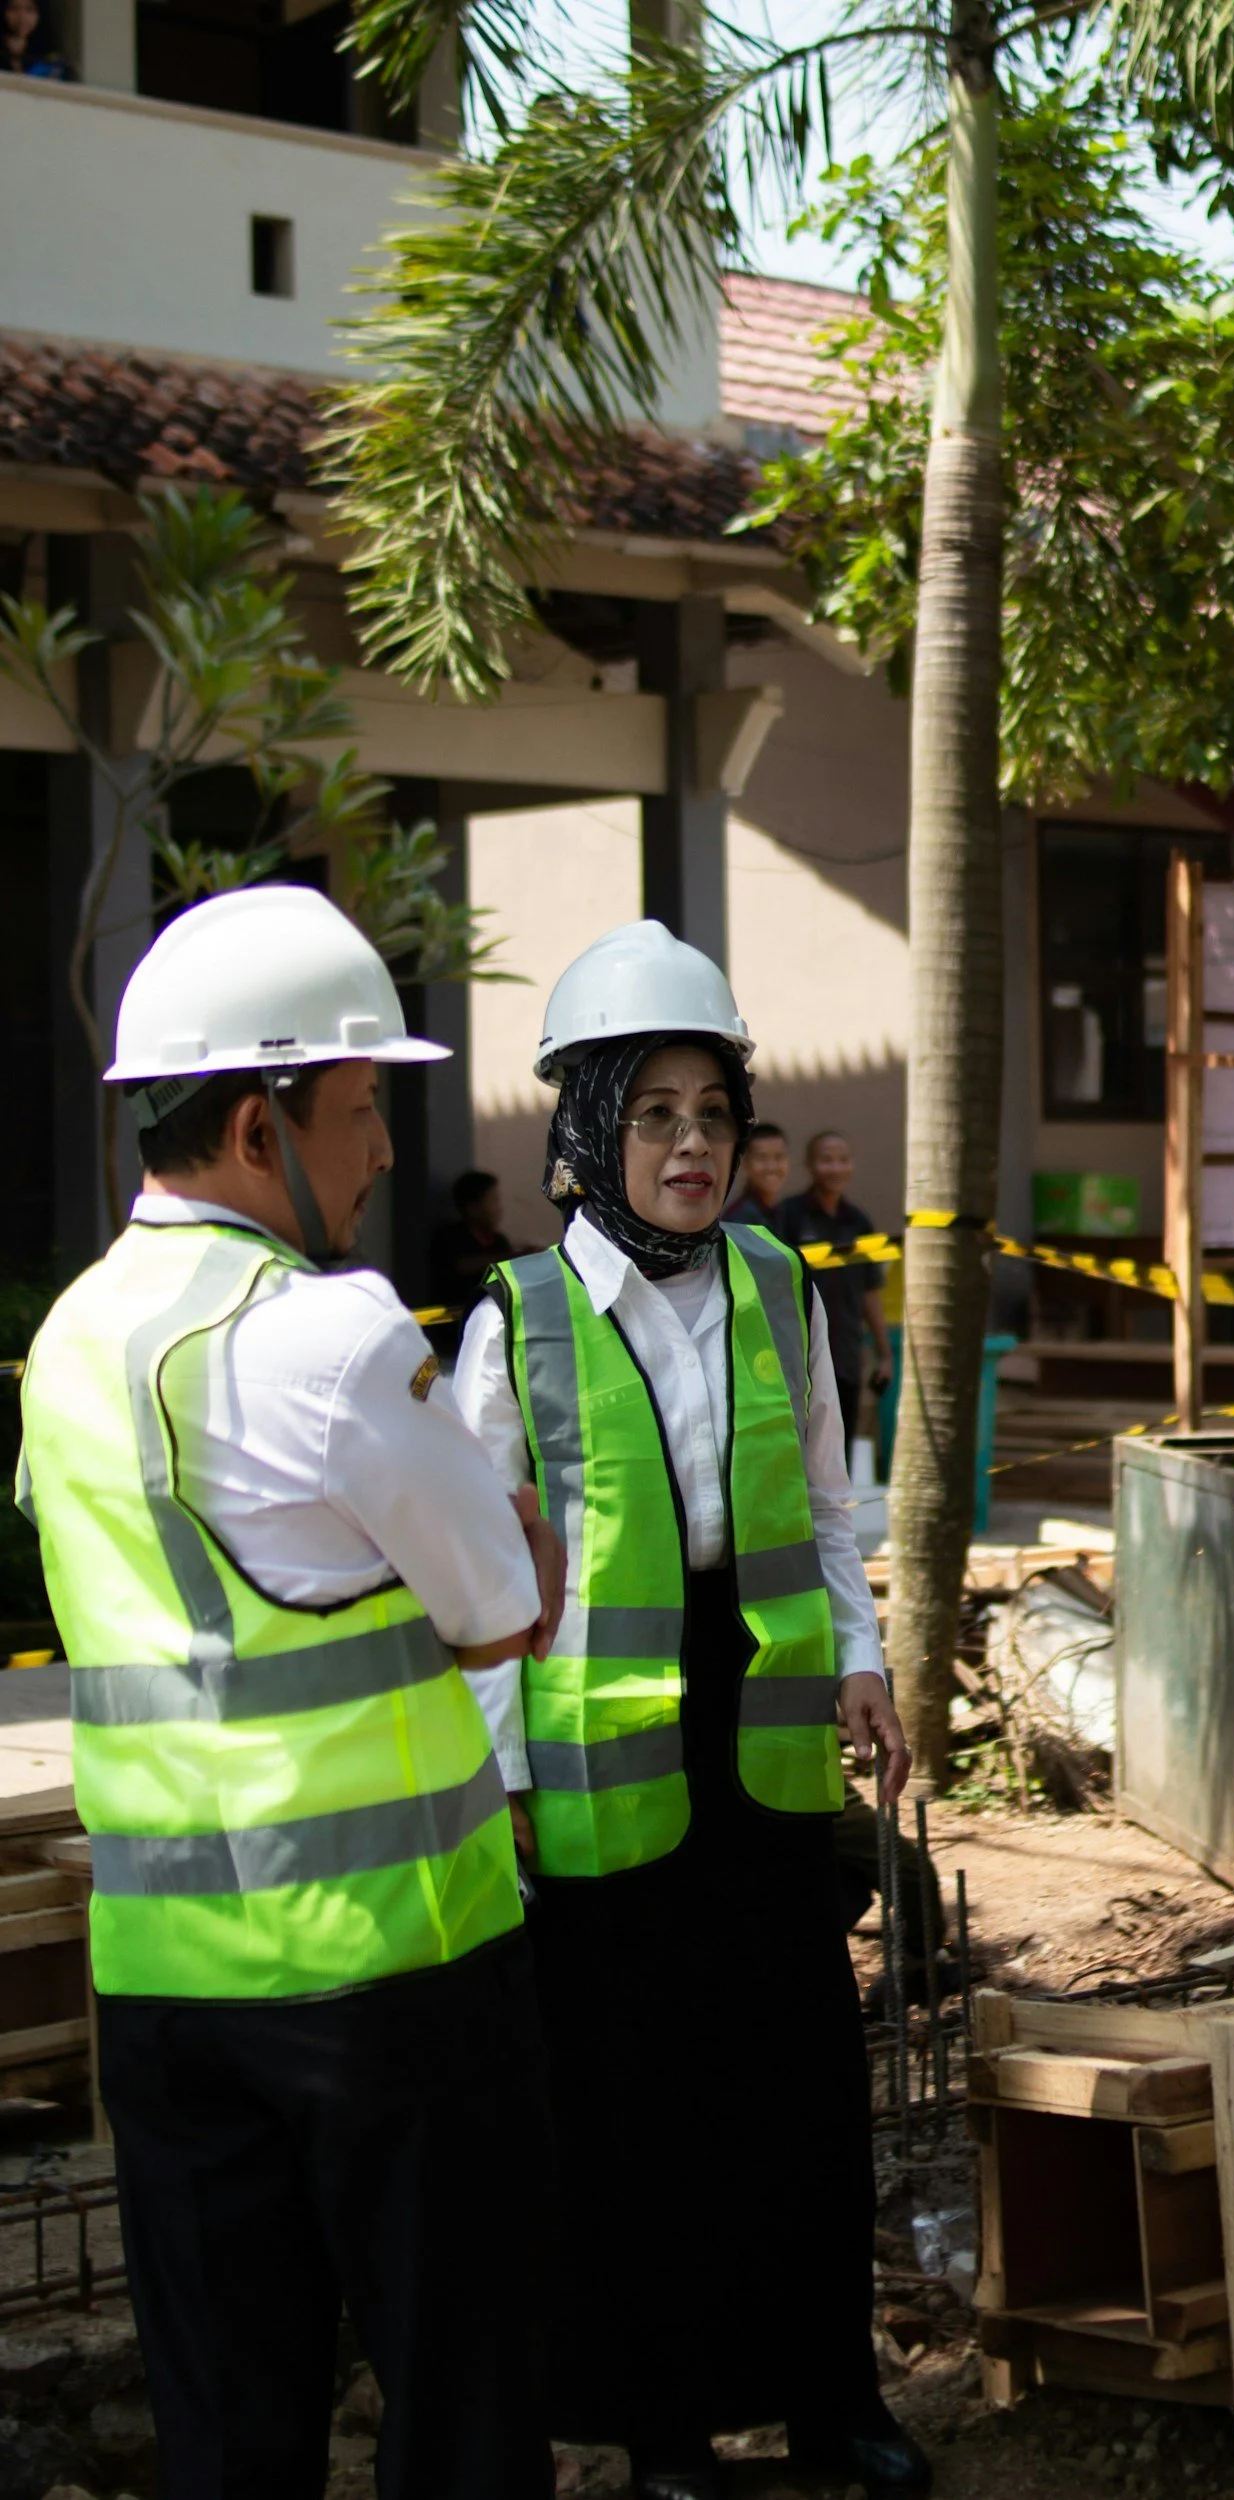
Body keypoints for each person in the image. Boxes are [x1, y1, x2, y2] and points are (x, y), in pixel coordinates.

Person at [14, 887, 566, 2500]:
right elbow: (509, 1601)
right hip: (396, 1987)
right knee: (461, 2421)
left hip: (166, 1995)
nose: (386, 1147)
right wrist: (477, 1569)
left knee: (230, 2440)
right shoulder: (327, 1341)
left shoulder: (64, 1343)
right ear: (261, 1128)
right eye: (360, 1108)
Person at [453, 917, 929, 2500]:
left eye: (712, 1115)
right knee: (632, 2113)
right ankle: (662, 2429)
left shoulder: (778, 1283)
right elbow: (477, 1579)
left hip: (772, 1750)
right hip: (599, 1778)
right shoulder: (513, 1320)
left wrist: (861, 1658)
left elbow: (826, 1504)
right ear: (584, 1132)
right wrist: (506, 1778)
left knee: (800, 2095)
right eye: (651, 1115)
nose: (689, 1147)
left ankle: (829, 2399)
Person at [777, 1131, 893, 1464]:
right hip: (800, 1359)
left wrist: (884, 1354)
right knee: (799, 1454)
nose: (835, 1168)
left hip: (846, 1358)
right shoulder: (789, 1217)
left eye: (843, 1159)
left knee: (836, 1456)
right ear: (810, 1165)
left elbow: (870, 1294)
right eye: (826, 1159)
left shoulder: (859, 1222)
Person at [428, 1166, 516, 1345]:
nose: (499, 1209)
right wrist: (512, 1257)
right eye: (492, 1201)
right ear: (473, 1208)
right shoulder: (450, 1237)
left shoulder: (499, 1242)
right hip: (452, 1340)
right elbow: (460, 1266)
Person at [724, 1118, 790, 1224]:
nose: (771, 1167)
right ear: (745, 1164)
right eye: (761, 1158)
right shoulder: (740, 1218)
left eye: (779, 1157)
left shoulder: (782, 1211)